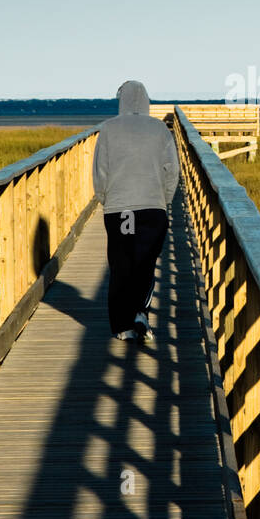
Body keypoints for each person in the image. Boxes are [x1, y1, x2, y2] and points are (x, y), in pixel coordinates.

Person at [91, 80, 179, 341]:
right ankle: (141, 313)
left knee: (121, 265)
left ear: (122, 101)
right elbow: (172, 170)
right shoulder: (159, 129)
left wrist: (105, 199)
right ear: (146, 101)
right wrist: (164, 200)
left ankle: (122, 326)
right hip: (152, 209)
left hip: (120, 210)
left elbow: (100, 171)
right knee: (145, 264)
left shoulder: (108, 129)